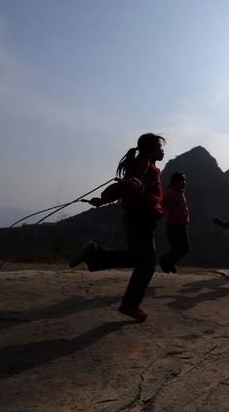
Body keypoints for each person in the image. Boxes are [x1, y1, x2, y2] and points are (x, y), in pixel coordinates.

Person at [68, 133, 166, 322]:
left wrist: (104, 198)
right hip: (141, 218)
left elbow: (125, 185)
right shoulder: (147, 166)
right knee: (147, 263)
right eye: (160, 147)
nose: (163, 150)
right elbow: (136, 183)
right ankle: (130, 305)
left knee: (135, 257)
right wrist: (137, 185)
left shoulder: (141, 163)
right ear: (149, 148)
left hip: (134, 217)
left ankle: (94, 254)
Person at [159, 172, 190, 274]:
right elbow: (160, 204)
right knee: (177, 249)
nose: (184, 182)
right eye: (182, 180)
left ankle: (171, 263)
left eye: (184, 180)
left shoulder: (181, 193)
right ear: (175, 181)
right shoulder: (169, 194)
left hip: (183, 226)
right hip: (173, 226)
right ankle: (164, 261)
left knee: (185, 248)